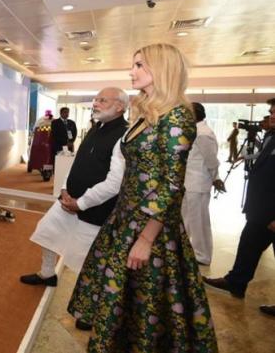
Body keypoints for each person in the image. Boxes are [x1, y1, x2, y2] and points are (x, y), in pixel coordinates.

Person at [68, 44, 218, 352]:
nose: (131, 71)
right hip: (126, 218)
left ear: (161, 68)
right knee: (124, 304)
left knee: (146, 307)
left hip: (150, 226)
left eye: (139, 65)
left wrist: (147, 239)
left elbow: (172, 186)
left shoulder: (177, 116)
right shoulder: (149, 113)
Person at [21, 88, 128, 323]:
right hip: (69, 200)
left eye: (102, 100)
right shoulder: (96, 127)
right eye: (96, 99)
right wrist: (64, 189)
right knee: (47, 232)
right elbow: (79, 162)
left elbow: (114, 183)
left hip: (95, 209)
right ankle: (47, 274)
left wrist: (81, 203)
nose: (96, 103)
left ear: (120, 107)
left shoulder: (124, 136)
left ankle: (89, 310)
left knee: (87, 261)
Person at [203, 98, 274, 310]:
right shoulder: (271, 136)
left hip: (271, 213)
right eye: (271, 112)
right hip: (261, 210)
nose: (271, 116)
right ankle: (236, 282)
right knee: (248, 245)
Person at [181, 102, 225, 265]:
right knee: (186, 220)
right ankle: (185, 251)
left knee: (199, 222)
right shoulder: (193, 130)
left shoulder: (203, 134)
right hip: (188, 183)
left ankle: (203, 256)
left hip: (198, 184)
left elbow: (211, 160)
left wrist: (216, 178)